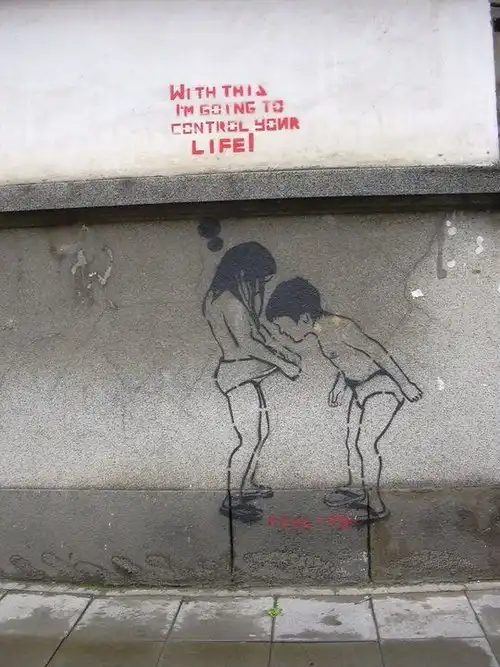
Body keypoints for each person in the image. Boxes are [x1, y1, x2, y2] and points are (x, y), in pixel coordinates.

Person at [265, 277, 422, 521]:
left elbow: (376, 352)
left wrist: (405, 384)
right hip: (359, 388)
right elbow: (346, 362)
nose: (281, 331)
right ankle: (357, 488)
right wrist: (339, 385)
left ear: (304, 318)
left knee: (365, 445)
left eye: (282, 325)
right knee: (352, 441)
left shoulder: (340, 326)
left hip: (381, 385)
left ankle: (376, 505)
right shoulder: (321, 333)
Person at [203, 242, 301, 524]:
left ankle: (247, 484)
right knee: (249, 438)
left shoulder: (222, 298)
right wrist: (283, 363)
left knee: (259, 432)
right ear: (245, 272)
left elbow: (258, 335)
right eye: (259, 279)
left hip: (241, 374)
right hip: (238, 374)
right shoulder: (230, 302)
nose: (259, 287)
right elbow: (248, 343)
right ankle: (233, 497)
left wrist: (283, 353)